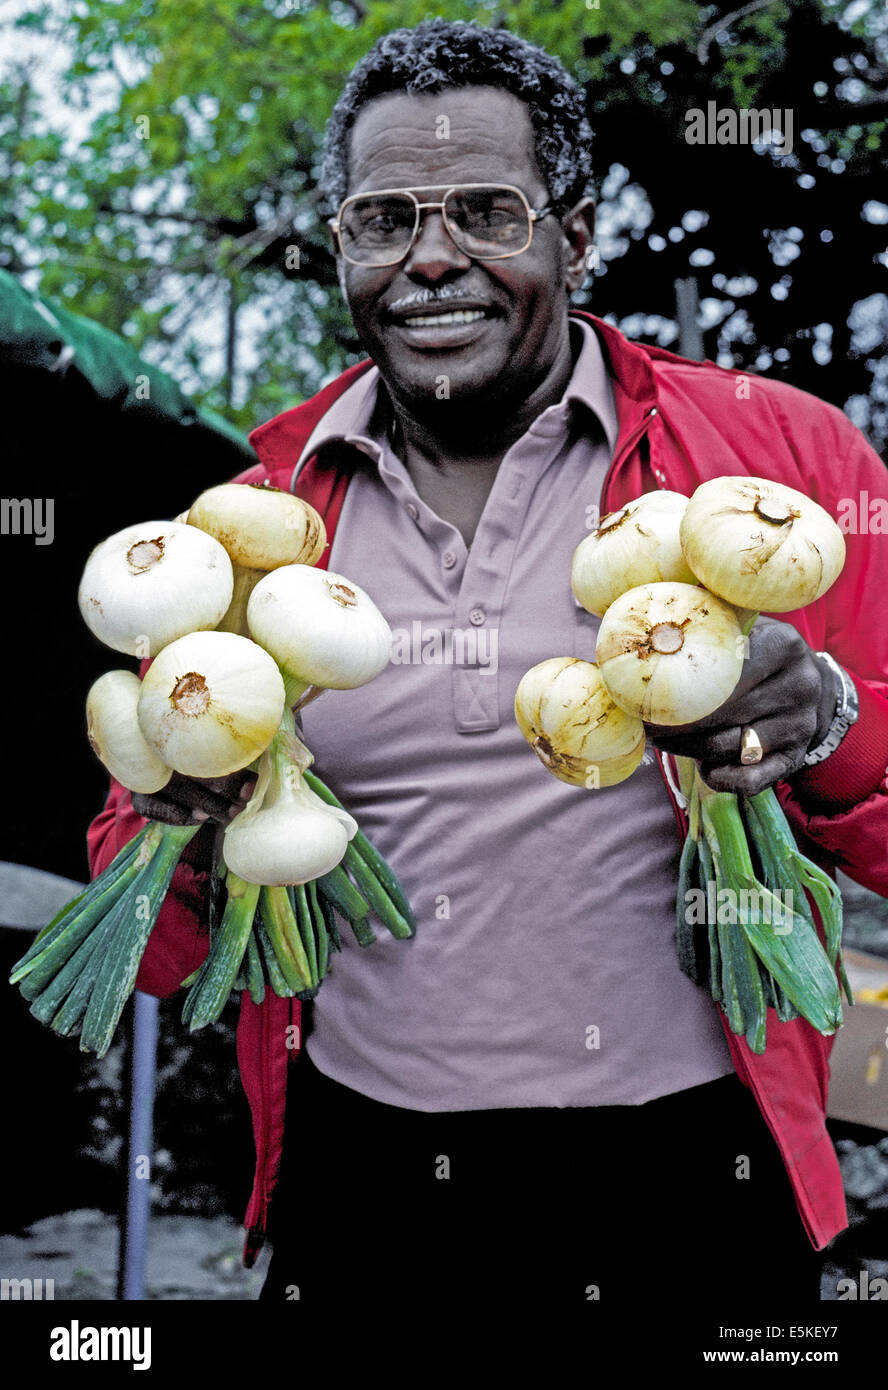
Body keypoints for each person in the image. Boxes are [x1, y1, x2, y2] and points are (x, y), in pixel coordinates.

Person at [88, 20, 888, 1313]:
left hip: (696, 1176)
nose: (432, 257)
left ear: (576, 235)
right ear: (342, 245)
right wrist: (178, 829)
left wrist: (831, 718)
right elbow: (157, 943)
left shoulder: (775, 473)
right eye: (385, 218)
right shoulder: (250, 525)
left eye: (485, 210)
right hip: (364, 1183)